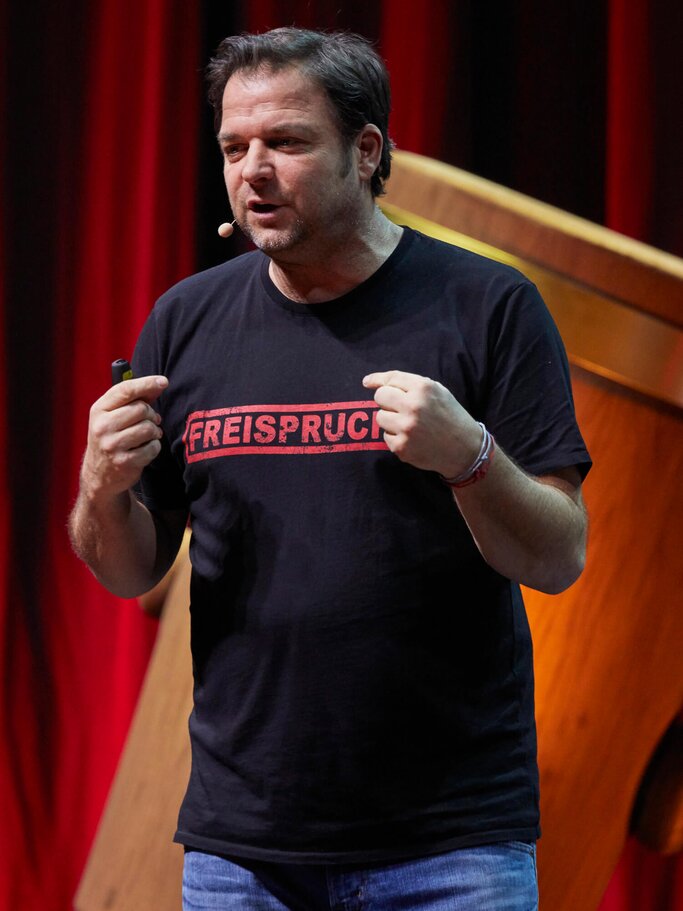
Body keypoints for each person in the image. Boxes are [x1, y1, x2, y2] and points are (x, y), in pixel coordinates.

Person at [69, 27, 591, 911]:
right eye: (235, 147)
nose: (253, 170)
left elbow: (558, 555)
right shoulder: (185, 320)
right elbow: (126, 569)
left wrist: (467, 456)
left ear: (366, 149)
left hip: (450, 847)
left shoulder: (487, 305)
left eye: (287, 142)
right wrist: (99, 486)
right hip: (246, 851)